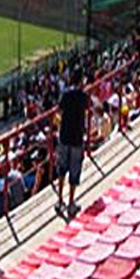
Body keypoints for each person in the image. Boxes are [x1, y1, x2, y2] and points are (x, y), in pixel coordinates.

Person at [57, 72, 88, 218]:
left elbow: (59, 109)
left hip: (64, 136)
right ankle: (70, 203)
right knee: (74, 171)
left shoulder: (66, 94)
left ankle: (60, 200)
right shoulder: (83, 96)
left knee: (62, 169)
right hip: (76, 138)